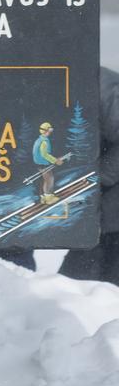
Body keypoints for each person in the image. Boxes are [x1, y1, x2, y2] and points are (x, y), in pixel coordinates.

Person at [61, 67, 119, 284]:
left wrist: (95, 178)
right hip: (98, 221)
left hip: (110, 216)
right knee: (74, 290)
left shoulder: (104, 85)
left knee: (81, 292)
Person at [33, 121, 71, 204]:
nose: (50, 132)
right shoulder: (44, 141)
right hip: (43, 163)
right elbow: (44, 154)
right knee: (49, 179)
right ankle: (49, 198)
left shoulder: (39, 140)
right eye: (49, 130)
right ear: (46, 131)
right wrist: (55, 161)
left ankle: (43, 197)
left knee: (44, 179)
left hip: (39, 162)